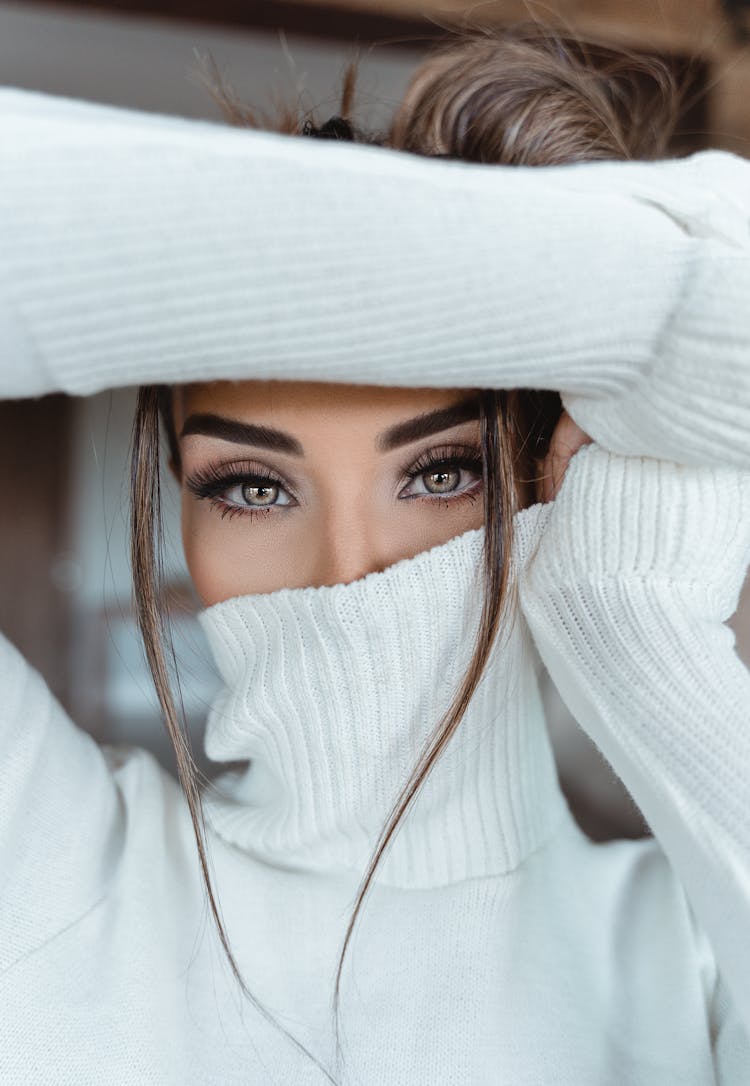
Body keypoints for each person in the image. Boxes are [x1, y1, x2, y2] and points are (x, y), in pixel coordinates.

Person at [1, 21, 749, 1085]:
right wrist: (648, 303)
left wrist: (641, 634)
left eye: (444, 473)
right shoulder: (47, 862)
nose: (351, 565)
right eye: (252, 488)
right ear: (184, 506)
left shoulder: (697, 944)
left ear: (550, 484)